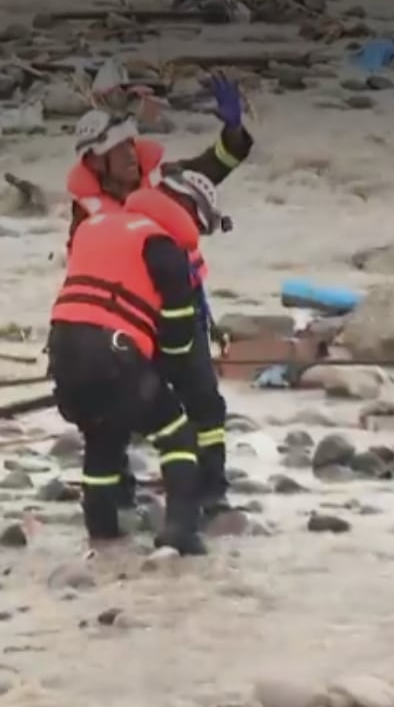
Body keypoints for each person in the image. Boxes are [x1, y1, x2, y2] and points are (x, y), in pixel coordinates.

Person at [65, 74, 252, 522]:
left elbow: (221, 161)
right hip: (128, 326)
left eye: (133, 147)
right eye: (118, 152)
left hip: (182, 308)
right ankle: (122, 495)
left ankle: (211, 489)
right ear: (96, 163)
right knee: (121, 412)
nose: (131, 157)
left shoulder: (167, 182)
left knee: (203, 400)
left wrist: (233, 129)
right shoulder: (85, 212)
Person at [47, 170, 225, 555]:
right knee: (175, 433)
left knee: (103, 432)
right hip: (114, 354)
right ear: (188, 213)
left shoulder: (95, 226)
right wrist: (171, 379)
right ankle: (179, 530)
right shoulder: (163, 246)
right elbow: (178, 338)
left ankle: (102, 529)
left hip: (62, 349)